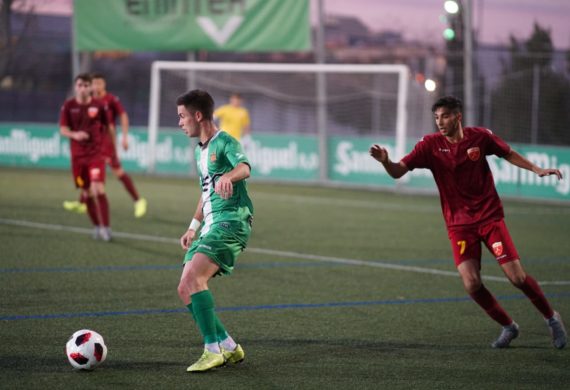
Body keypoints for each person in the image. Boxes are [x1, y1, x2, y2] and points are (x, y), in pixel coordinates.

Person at [369, 96, 567, 349]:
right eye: (437, 117)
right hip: (459, 224)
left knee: (516, 278)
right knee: (471, 283)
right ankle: (509, 326)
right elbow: (398, 171)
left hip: (489, 218)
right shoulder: (429, 145)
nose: (440, 122)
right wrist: (386, 161)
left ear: (458, 117)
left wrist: (536, 169)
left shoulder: (480, 137)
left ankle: (552, 319)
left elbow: (508, 153)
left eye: (445, 116)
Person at [176, 89, 254, 372]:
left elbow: (244, 167)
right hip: (210, 225)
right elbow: (206, 192)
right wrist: (192, 227)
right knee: (185, 288)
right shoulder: (201, 151)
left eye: (183, 116)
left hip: (231, 221)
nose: (180, 122)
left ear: (198, 116)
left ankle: (212, 349)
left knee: (195, 278)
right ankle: (229, 347)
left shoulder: (224, 142)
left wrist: (228, 177)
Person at [63, 72, 147, 218]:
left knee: (117, 172)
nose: (96, 86)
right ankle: (83, 203)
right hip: (93, 144)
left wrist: (124, 137)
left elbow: (123, 116)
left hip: (106, 143)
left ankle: (138, 200)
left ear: (104, 84)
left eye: (99, 83)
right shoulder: (88, 101)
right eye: (94, 83)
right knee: (88, 174)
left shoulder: (111, 100)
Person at [59, 73, 112, 241]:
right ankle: (96, 225)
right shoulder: (68, 106)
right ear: (76, 87)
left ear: (90, 87)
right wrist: (75, 135)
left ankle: (106, 228)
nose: (83, 88)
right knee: (86, 191)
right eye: (80, 85)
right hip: (78, 158)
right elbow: (63, 129)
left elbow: (106, 127)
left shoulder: (100, 105)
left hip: (95, 156)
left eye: (86, 85)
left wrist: (108, 148)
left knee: (98, 189)